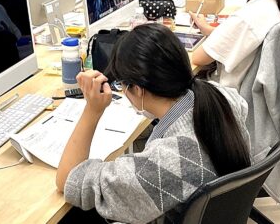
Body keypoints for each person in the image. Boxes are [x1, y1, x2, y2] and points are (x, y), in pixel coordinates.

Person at [56, 23, 251, 224]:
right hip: (217, 212)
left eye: (121, 85)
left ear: (138, 89)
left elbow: (68, 179)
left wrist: (92, 110)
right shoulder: (222, 96)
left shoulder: (162, 163)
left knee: (72, 215)